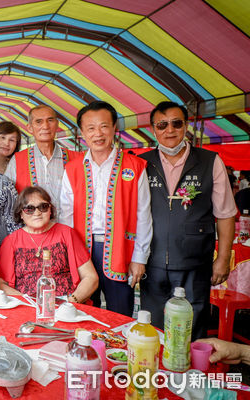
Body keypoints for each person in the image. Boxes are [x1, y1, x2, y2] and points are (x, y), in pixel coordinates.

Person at [139, 101, 236, 339]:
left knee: (192, 327)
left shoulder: (210, 161)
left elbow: (225, 214)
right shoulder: (141, 162)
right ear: (153, 129)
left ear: (186, 126)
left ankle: (192, 373)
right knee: (153, 327)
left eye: (176, 123)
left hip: (195, 262)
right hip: (153, 261)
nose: (169, 130)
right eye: (162, 125)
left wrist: (222, 259)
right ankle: (159, 374)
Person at [59, 100, 152, 317]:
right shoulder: (72, 169)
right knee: (81, 312)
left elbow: (143, 215)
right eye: (90, 128)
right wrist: (68, 255)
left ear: (114, 128)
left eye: (103, 126)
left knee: (120, 314)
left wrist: (140, 258)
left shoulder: (135, 166)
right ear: (82, 132)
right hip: (82, 250)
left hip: (121, 251)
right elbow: (66, 216)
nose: (98, 134)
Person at [0, 186, 98, 302]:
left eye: (43, 207)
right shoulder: (11, 241)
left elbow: (91, 277)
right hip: (26, 304)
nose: (37, 212)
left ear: (50, 210)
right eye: (30, 209)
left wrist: (72, 301)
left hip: (65, 301)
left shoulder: (67, 233)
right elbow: (1, 283)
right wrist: (24, 301)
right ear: (21, 214)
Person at [5, 105, 78, 211]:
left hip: (67, 226)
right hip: (30, 226)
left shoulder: (75, 158)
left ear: (57, 124)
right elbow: (9, 201)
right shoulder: (17, 160)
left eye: (50, 120)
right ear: (30, 128)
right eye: (39, 122)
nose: (45, 126)